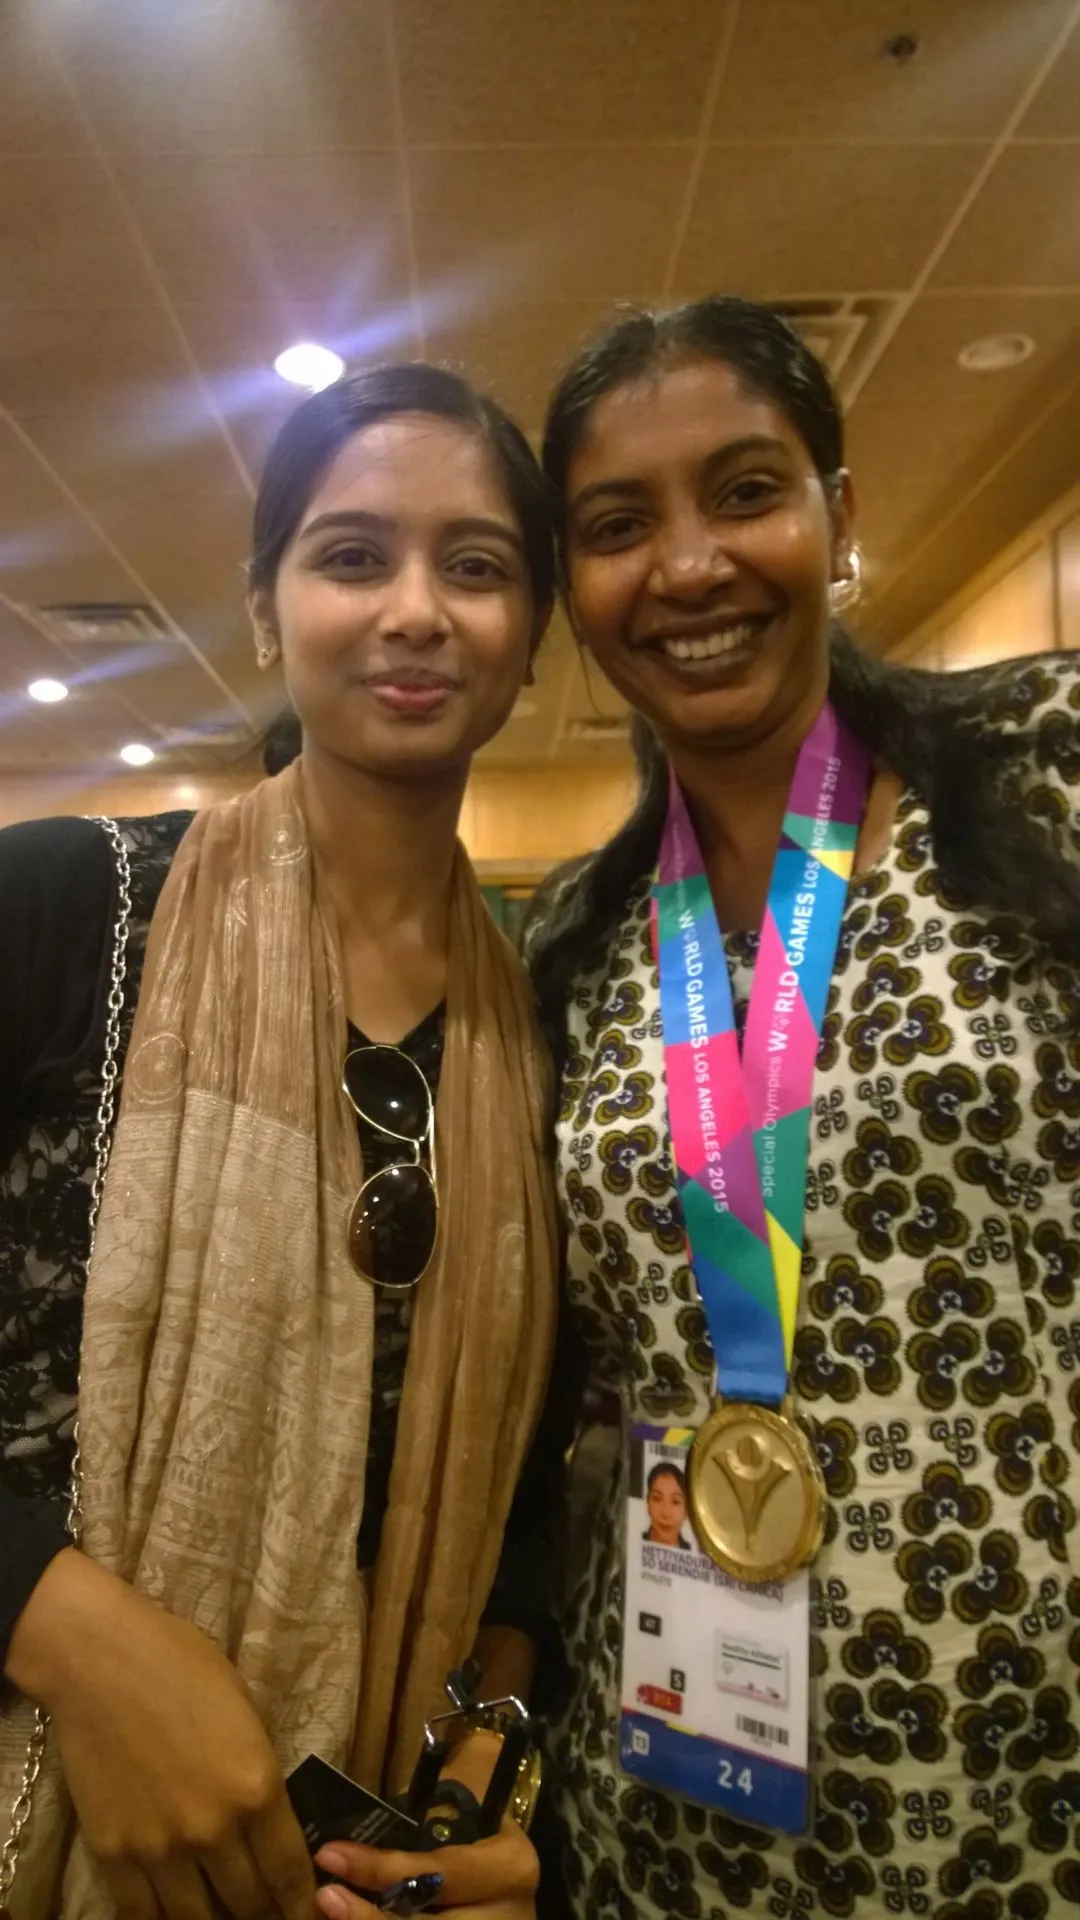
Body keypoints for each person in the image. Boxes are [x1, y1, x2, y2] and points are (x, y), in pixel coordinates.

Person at [525, 297, 1080, 1919]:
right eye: (618, 526)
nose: (689, 565)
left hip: (1034, 1765)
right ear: (574, 589)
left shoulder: (1046, 767)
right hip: (684, 1787)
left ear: (842, 514)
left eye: (746, 491)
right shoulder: (576, 941)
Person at [0, 363, 563, 1920]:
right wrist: (65, 1629)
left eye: (475, 566)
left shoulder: (544, 1029)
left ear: (531, 634)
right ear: (265, 608)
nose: (415, 611)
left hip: (357, 1853)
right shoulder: (62, 912)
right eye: (352, 555)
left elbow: (530, 1484)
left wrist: (483, 1765)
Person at [642, 1464, 691, 1550]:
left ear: (686, 1511)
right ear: (648, 1504)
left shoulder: (691, 1550)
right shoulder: (634, 1543)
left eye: (675, 1502)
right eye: (657, 1499)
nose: (666, 1514)